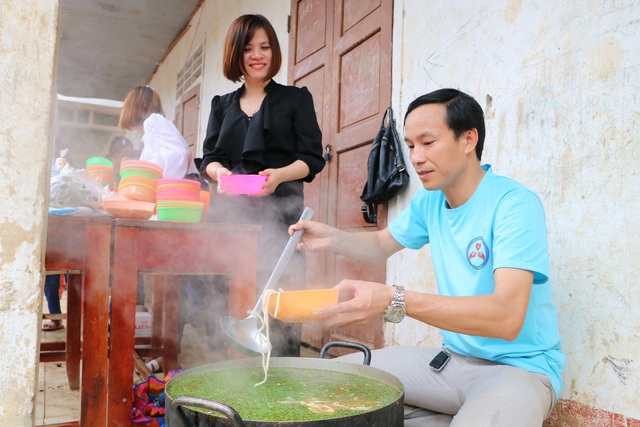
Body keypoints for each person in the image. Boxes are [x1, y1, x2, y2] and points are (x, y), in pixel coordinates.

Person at [289, 88, 565, 426]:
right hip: (449, 364)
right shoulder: (429, 201)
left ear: (468, 139)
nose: (416, 157)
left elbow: (506, 318)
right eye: (410, 145)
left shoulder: (513, 204)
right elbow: (380, 245)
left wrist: (394, 299)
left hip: (518, 370)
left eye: (428, 142)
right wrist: (333, 238)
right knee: (321, 383)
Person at [199, 14, 325, 356]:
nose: (258, 55)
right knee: (226, 296)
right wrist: (220, 174)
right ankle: (226, 374)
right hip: (230, 215)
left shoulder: (295, 99)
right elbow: (209, 156)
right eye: (249, 48)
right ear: (236, 54)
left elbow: (312, 158)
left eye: (265, 47)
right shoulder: (221, 105)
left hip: (281, 215)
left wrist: (279, 175)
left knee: (279, 299)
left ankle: (281, 379)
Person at [119, 85, 198, 179]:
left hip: (180, 188)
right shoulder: (149, 130)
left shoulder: (154, 121)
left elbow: (178, 154)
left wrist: (146, 170)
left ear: (138, 108)